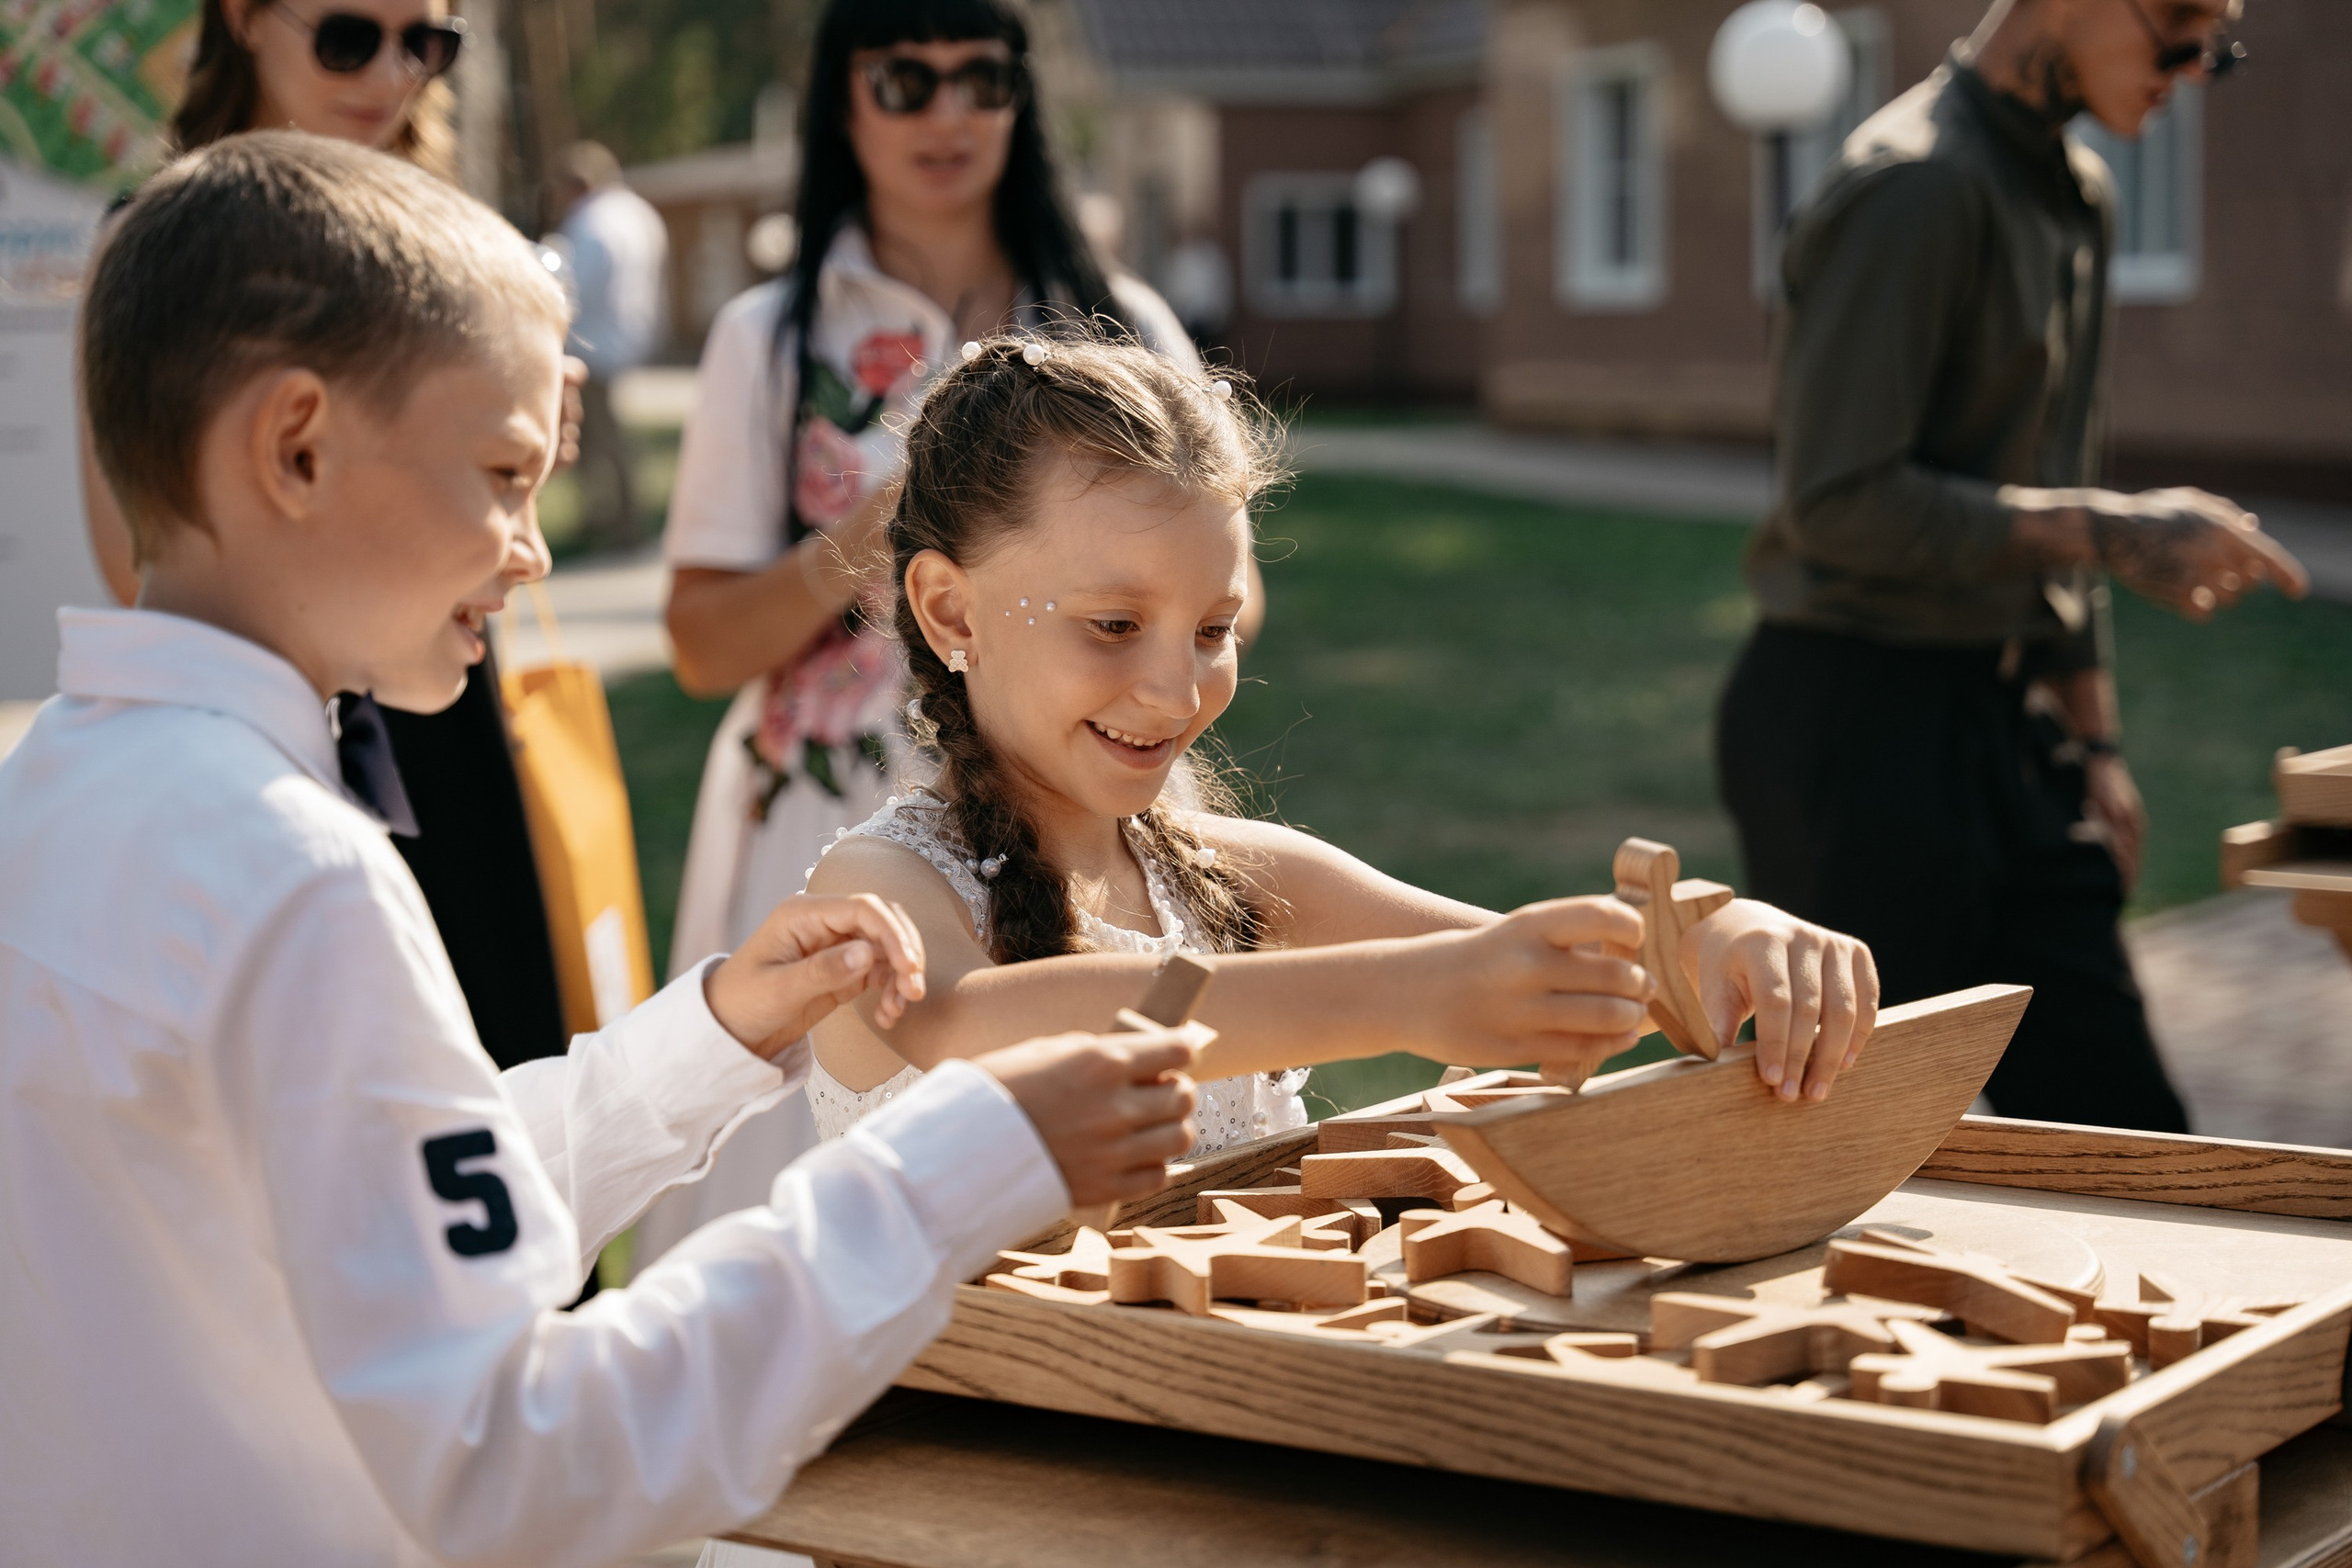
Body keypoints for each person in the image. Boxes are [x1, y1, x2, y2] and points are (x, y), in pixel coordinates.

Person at [0, 131, 1202, 1564]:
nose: (533, 550)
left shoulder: (58, 791)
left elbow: (379, 1225)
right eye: (505, 472)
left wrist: (703, 1039)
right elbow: (526, 1462)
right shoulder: (291, 876)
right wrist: (958, 1161)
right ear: (297, 445)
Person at [802, 333, 1883, 1137]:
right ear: (950, 612)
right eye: (1115, 626)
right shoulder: (879, 893)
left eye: (1213, 631)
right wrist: (1411, 997)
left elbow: (1524, 966)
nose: (1177, 691)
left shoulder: (1235, 883)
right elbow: (975, 1024)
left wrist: (1712, 945)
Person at [640, 0, 1221, 1263]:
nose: (948, 114)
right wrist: (884, 532)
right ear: (842, 102)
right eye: (904, 80)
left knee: (1051, 1202)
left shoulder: (1113, 321)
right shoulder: (771, 336)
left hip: (1056, 805)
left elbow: (1222, 585)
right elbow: (699, 644)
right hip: (821, 817)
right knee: (787, 1218)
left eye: (981, 78)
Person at [1718, 0, 2309, 1133]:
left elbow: (2054, 468)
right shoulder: (1911, 186)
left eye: (2216, 45)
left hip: (2002, 723)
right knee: (1849, 1151)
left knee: (2127, 1137)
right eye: (2181, 24)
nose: (2194, 66)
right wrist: (2121, 526)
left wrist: (2093, 738)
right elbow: (1839, 503)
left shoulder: (2077, 191)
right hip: (1854, 725)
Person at [73, 0, 579, 1074]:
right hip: (280, 721)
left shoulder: (446, 217)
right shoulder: (159, 242)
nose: (392, 72)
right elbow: (139, 550)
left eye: (428, 43)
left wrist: (510, 444)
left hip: (441, 719)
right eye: (350, 35)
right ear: (247, 18)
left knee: (496, 1051)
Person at [551, 140, 670, 548]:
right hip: (629, 334)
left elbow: (571, 285)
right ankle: (620, 517)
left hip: (591, 342)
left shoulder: (591, 221)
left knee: (597, 436)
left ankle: (615, 520)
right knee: (608, 434)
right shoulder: (637, 212)